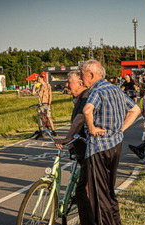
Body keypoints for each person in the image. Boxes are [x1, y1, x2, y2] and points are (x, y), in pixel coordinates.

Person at [81, 60, 141, 225]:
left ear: (92, 75)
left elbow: (87, 110)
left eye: (82, 75)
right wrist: (121, 129)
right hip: (115, 144)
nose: (81, 79)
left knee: (99, 194)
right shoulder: (115, 89)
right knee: (109, 190)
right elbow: (136, 109)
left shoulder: (97, 90)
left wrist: (92, 128)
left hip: (98, 147)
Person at [54, 71, 93, 224]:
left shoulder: (85, 96)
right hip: (80, 147)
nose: (66, 85)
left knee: (82, 192)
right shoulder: (77, 99)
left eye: (69, 82)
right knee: (80, 189)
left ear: (80, 83)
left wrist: (68, 138)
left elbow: (80, 119)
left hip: (88, 149)